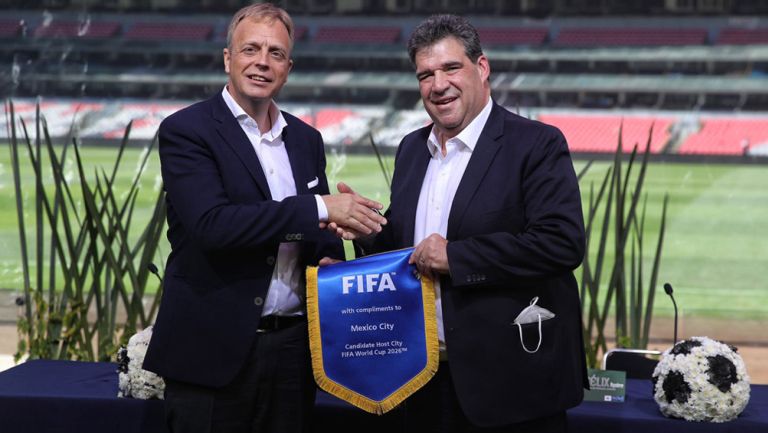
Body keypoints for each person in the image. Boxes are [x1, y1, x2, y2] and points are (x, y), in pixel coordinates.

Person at [333, 14, 588, 433]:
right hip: (421, 379)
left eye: (451, 68)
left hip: (510, 387)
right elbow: (407, 249)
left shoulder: (536, 144)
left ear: (481, 68)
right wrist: (367, 232)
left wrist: (456, 257)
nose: (438, 85)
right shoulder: (412, 149)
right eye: (425, 75)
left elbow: (561, 243)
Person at [142, 4, 386, 433]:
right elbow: (213, 225)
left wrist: (330, 256)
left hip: (292, 351)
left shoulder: (306, 139)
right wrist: (322, 208)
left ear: (288, 68)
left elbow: (318, 232)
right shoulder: (187, 130)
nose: (262, 61)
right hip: (211, 353)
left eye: (275, 53)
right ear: (227, 58)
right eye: (250, 49)